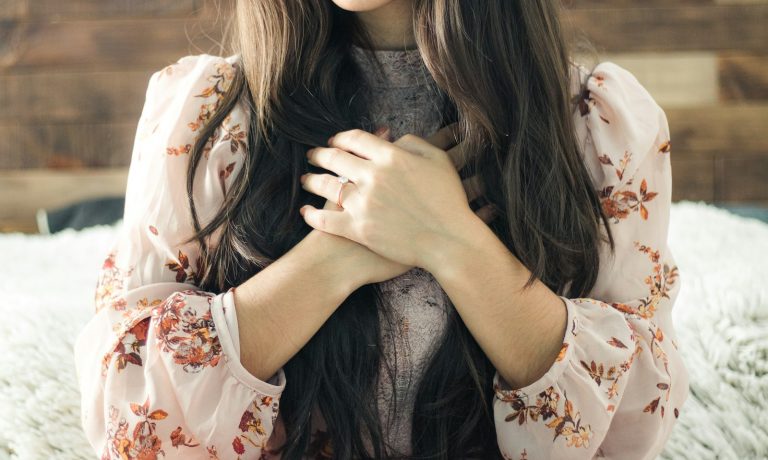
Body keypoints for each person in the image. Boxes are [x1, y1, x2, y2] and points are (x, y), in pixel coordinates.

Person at [73, 0, 690, 458]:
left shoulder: (592, 125)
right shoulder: (208, 113)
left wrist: (453, 242)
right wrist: (340, 254)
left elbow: (629, 426)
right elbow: (133, 420)